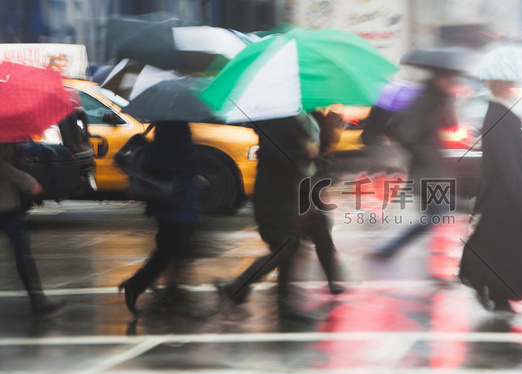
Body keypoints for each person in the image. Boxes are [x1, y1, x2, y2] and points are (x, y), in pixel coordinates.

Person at [214, 113, 345, 318]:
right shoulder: (276, 121)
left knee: (312, 234)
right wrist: (304, 151)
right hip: (276, 197)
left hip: (296, 193)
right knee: (287, 245)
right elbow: (278, 156)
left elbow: (311, 150)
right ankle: (240, 288)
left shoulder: (297, 117)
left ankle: (271, 292)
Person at [456, 80, 522, 313]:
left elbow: (508, 153)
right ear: (503, 86)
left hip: (501, 192)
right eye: (510, 84)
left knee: (496, 241)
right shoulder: (500, 115)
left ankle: (494, 290)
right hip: (506, 193)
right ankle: (489, 285)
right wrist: (519, 193)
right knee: (507, 245)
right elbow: (506, 161)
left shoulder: (498, 112)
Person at [370, 68, 459, 259]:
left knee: (437, 213)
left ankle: (392, 250)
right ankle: (391, 250)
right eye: (450, 78)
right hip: (427, 170)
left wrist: (448, 105)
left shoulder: (437, 99)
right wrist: (424, 153)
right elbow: (406, 133)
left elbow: (450, 125)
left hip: (430, 168)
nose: (453, 82)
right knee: (437, 213)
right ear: (440, 77)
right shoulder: (426, 100)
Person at [118, 121, 201, 315]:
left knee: (171, 247)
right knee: (170, 248)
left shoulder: (174, 123)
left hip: (177, 197)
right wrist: (189, 159)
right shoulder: (171, 125)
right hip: (173, 198)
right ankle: (137, 284)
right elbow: (160, 160)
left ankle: (157, 288)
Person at [0, 143, 67, 316]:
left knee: (23, 250)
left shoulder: (9, 138)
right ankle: (38, 300)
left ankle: (38, 300)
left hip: (9, 205)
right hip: (6, 203)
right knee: (22, 249)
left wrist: (18, 153)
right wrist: (27, 181)